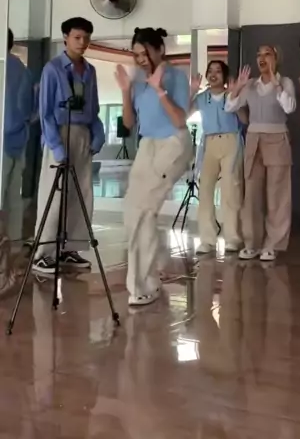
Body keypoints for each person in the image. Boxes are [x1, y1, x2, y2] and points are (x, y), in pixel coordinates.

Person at [116, 27, 192, 307]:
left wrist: (160, 90)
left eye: (144, 53)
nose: (140, 59)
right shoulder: (138, 79)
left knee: (143, 209)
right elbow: (128, 123)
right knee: (132, 209)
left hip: (173, 144)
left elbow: (180, 120)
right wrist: (126, 91)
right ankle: (147, 280)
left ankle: (143, 285)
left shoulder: (176, 76)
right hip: (147, 144)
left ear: (160, 50)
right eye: (136, 54)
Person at [33, 17, 105, 274]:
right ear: (65, 37)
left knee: (81, 193)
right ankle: (44, 254)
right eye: (77, 37)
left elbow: (93, 109)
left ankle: (70, 248)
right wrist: (57, 147)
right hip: (60, 134)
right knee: (54, 194)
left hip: (83, 135)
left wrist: (98, 135)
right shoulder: (53, 69)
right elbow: (45, 113)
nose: (82, 42)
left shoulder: (90, 71)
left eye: (86, 38)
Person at [225, 45, 296, 261]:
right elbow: (229, 107)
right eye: (259, 55)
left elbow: (289, 107)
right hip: (254, 139)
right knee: (251, 194)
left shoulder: (285, 82)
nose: (261, 58)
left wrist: (276, 84)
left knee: (277, 194)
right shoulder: (251, 85)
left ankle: (273, 244)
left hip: (277, 138)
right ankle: (252, 243)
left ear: (276, 58)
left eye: (267, 54)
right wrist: (238, 87)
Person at [190, 60, 243, 255]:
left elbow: (245, 118)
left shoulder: (231, 95)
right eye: (210, 71)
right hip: (209, 143)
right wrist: (191, 91)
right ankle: (207, 239)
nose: (213, 74)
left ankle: (232, 237)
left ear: (225, 76)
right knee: (204, 191)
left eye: (218, 71)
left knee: (230, 191)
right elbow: (183, 115)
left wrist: (236, 96)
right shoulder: (202, 98)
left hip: (231, 141)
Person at [3, 29, 34, 243]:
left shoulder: (3, 66)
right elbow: (30, 111)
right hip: (19, 141)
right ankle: (14, 242)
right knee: (14, 196)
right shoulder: (23, 69)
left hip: (2, 141)